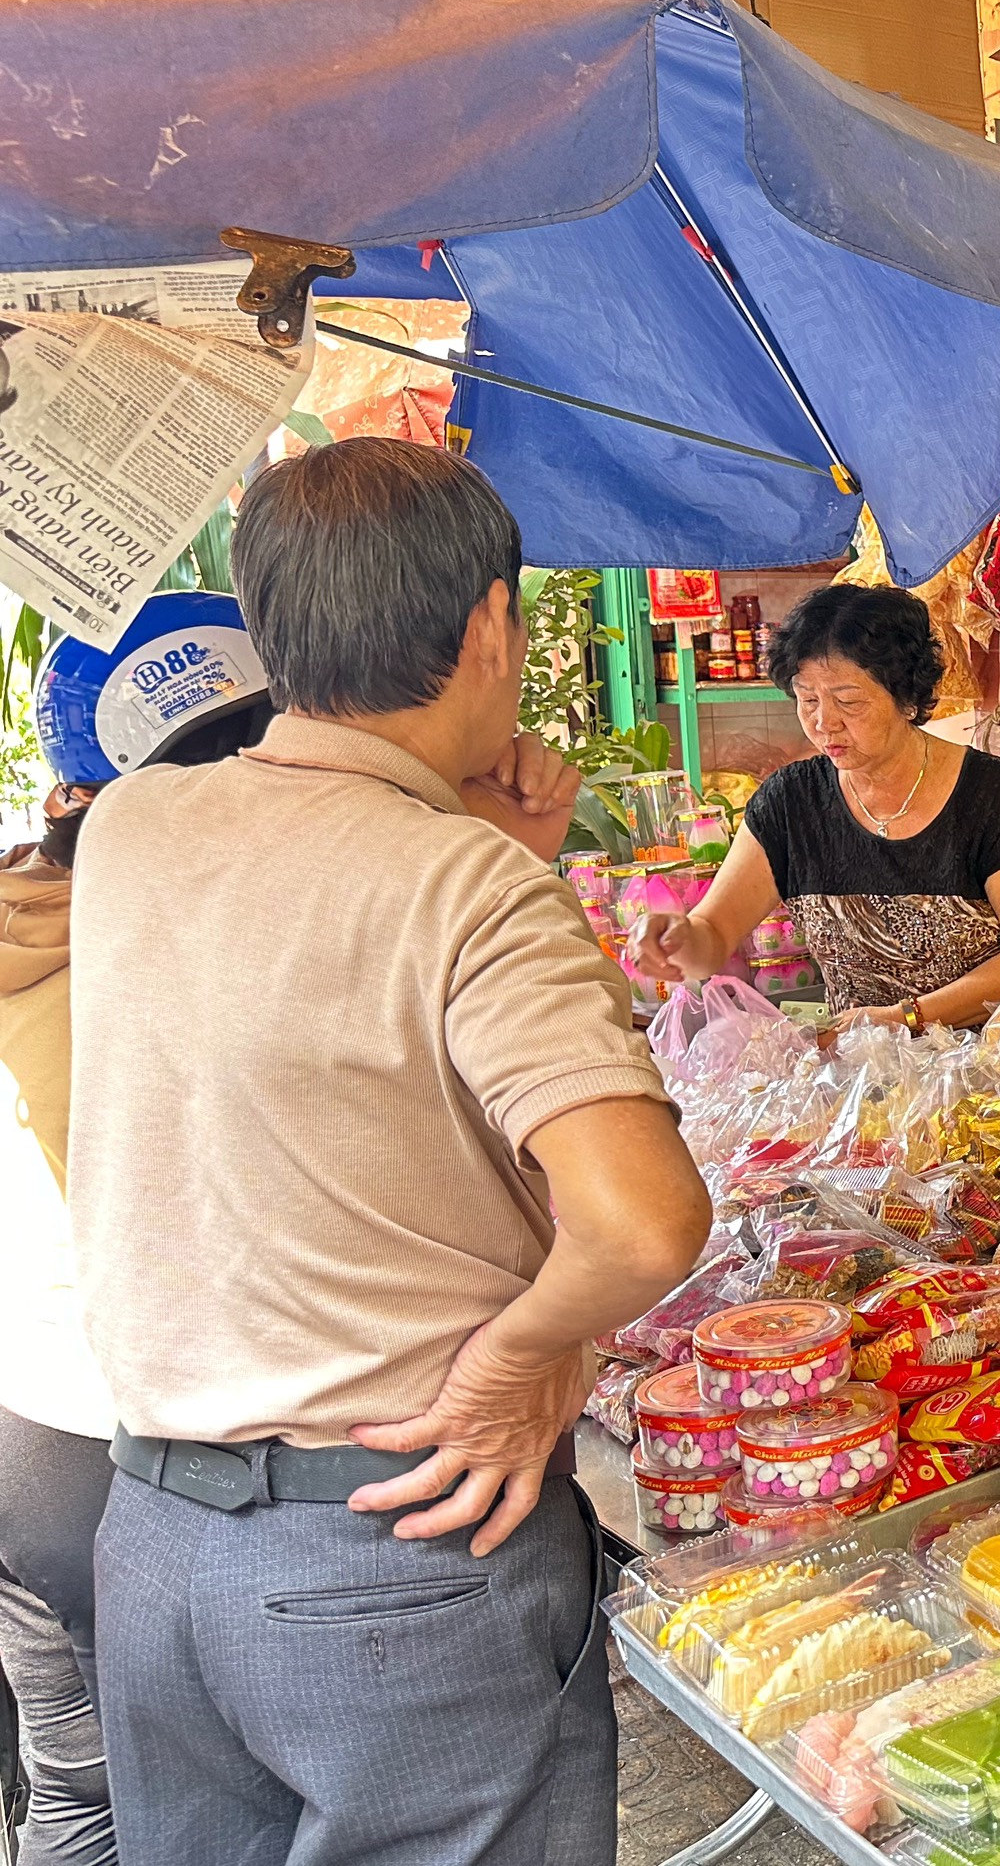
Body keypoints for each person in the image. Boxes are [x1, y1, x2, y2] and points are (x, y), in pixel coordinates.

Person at [68, 438, 711, 1866]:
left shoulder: (133, 825)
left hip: (162, 1552)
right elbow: (644, 1219)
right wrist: (511, 1360)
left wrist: (490, 838)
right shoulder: (460, 882)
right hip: (399, 1552)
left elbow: (310, 978)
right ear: (492, 627)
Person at [0, 593, 277, 1866]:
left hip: (25, 1432)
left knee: (83, 1778)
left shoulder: (35, 906)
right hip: (112, 1441)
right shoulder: (152, 936)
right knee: (179, 1800)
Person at [633, 584, 1000, 1027]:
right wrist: (676, 940)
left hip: (993, 1072)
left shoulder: (988, 793)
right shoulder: (790, 804)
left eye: (848, 701)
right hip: (858, 1079)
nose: (824, 722)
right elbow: (714, 935)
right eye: (808, 699)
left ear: (908, 699)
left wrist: (903, 1018)